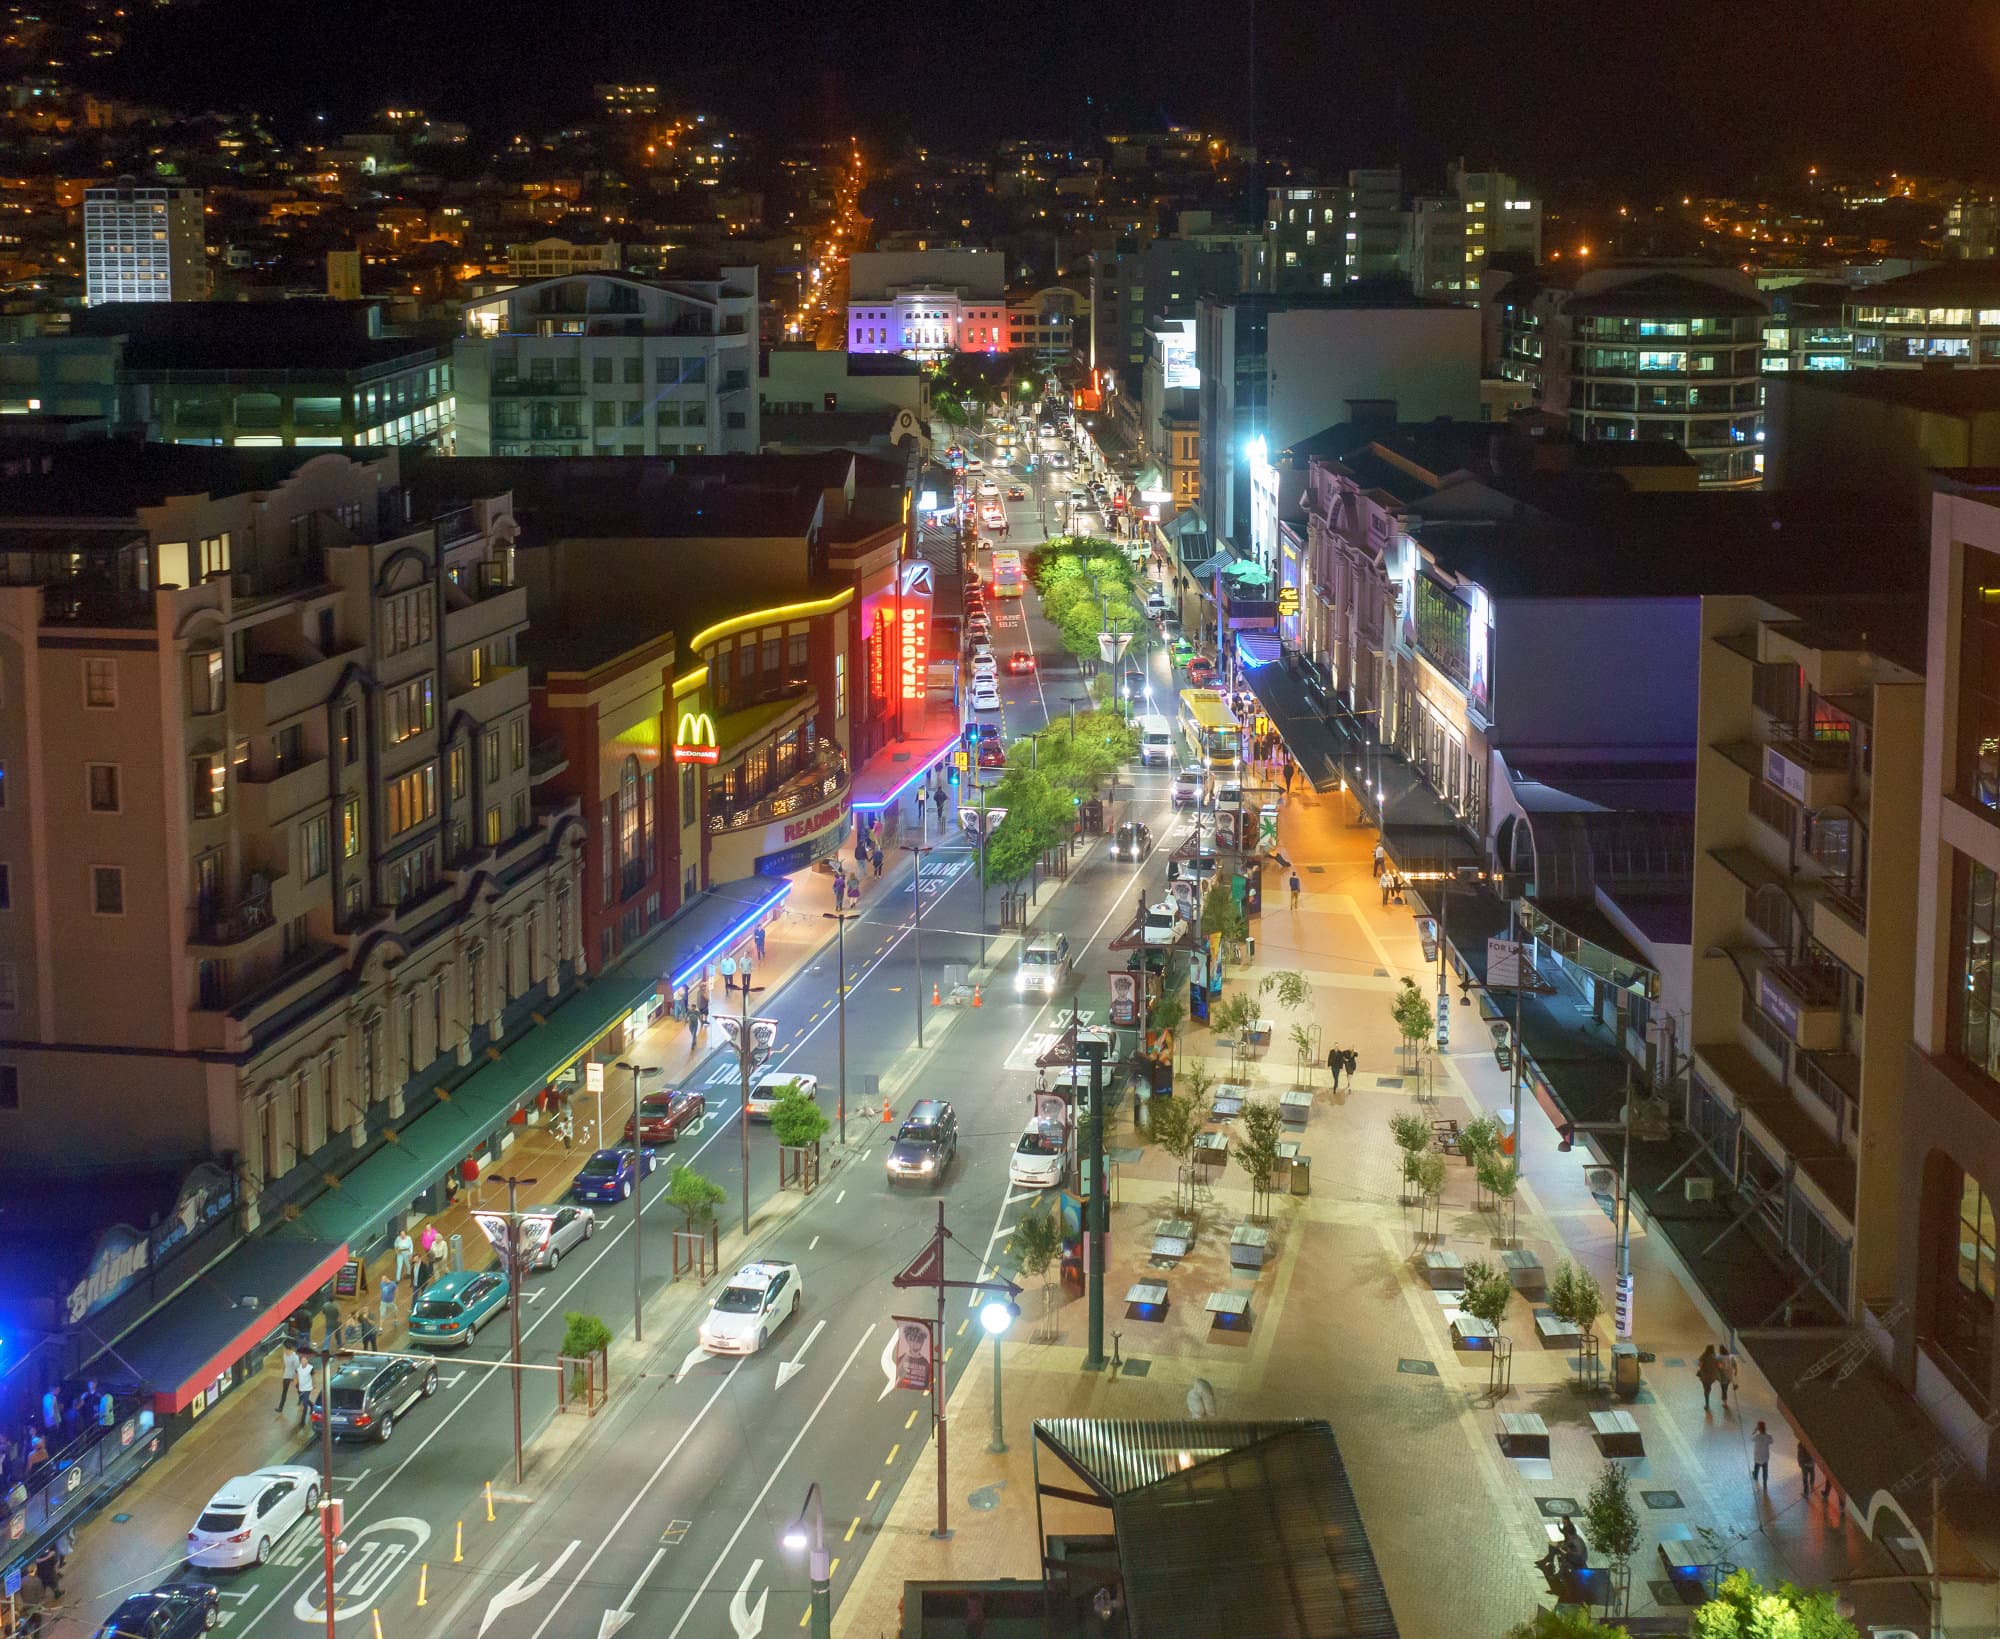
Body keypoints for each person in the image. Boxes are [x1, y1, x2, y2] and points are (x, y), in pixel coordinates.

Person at [278, 1338, 301, 1414]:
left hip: (294, 1375)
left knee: (298, 1388)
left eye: (285, 1348)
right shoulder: (284, 1354)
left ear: (289, 1349)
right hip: (287, 1374)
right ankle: (280, 1407)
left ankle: (302, 1399)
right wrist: (283, 1372)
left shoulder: (295, 1357)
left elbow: (297, 1370)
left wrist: (295, 1380)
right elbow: (284, 1364)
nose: (284, 1350)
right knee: (284, 1391)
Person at [1697, 1344, 1720, 1411]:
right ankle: (1708, 1390)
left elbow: (1700, 1365)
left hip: (1705, 1375)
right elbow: (1718, 1366)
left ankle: (1707, 1404)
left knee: (1705, 1388)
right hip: (1712, 1376)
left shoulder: (1703, 1356)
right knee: (1708, 1387)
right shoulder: (1715, 1357)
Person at [1750, 1420, 1773, 1487]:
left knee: (1756, 1468)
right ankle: (1765, 1483)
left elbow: (1750, 1438)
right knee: (1765, 1471)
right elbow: (1772, 1441)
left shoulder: (1757, 1437)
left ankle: (1755, 1477)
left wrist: (1754, 1431)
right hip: (1765, 1457)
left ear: (1758, 1429)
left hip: (1758, 1457)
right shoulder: (1768, 1436)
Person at [294, 1355, 315, 1427]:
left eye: (305, 1360)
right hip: (300, 1388)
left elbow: (313, 1377)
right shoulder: (298, 1368)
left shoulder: (310, 1368)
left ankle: (302, 1421)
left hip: (307, 1388)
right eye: (302, 1360)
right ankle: (312, 1405)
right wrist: (296, 1382)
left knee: (305, 1405)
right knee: (305, 1400)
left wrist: (313, 1385)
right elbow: (296, 1375)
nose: (303, 1362)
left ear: (307, 1360)